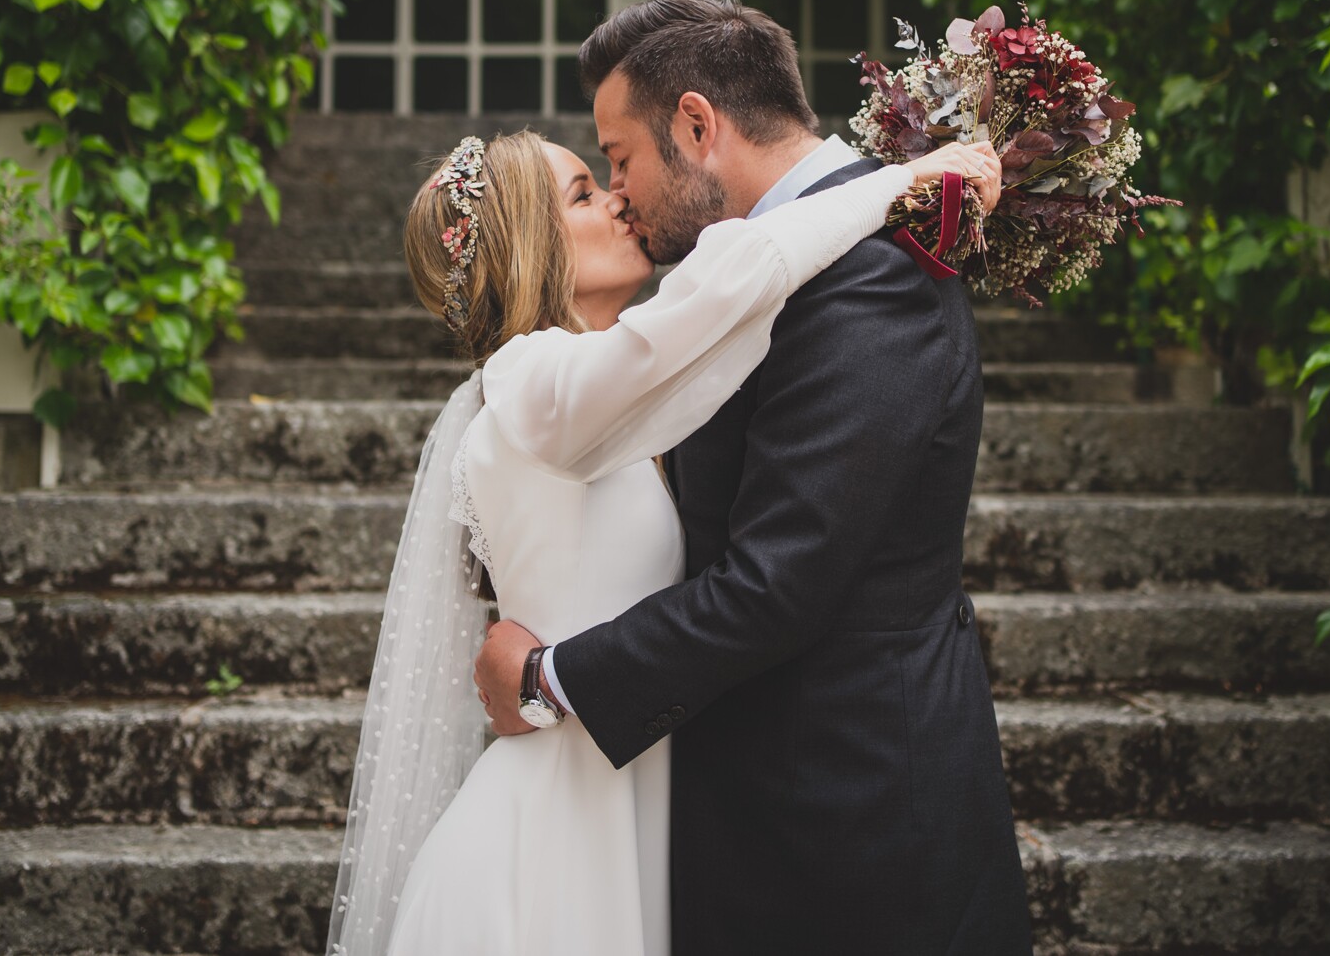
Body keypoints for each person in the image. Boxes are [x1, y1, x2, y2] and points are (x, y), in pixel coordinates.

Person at [325, 109, 1001, 952]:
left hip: (651, 803)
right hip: (560, 837)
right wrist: (896, 182)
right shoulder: (528, 380)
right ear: (532, 244)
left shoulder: (616, 400)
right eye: (582, 191)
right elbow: (734, 276)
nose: (617, 200)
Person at [472, 0, 1033, 956]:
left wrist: (549, 677)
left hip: (852, 822)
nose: (620, 193)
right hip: (765, 813)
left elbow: (779, 580)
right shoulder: (771, 263)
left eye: (620, 158)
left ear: (697, 126)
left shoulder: (873, 274)